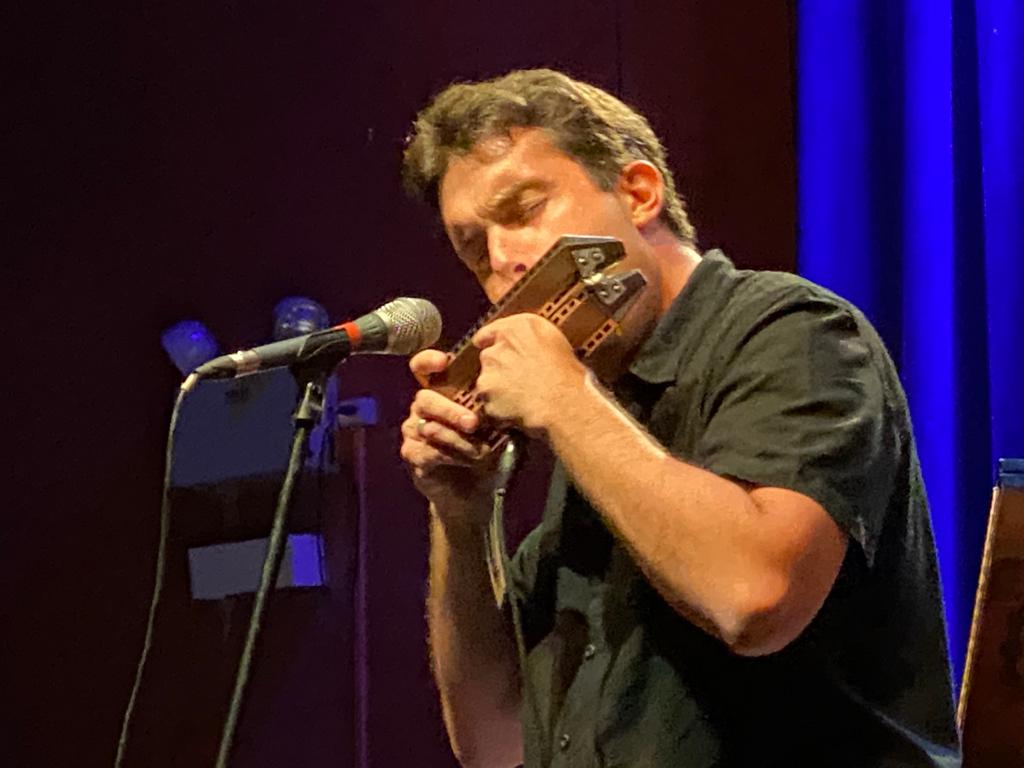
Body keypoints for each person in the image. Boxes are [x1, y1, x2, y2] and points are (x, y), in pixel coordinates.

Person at [398, 68, 960, 767]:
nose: (503, 260)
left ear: (638, 193)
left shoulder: (794, 331)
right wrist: (464, 514)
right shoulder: (601, 416)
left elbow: (754, 599)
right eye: (474, 248)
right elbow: (494, 740)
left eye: (524, 209)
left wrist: (567, 403)